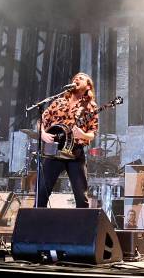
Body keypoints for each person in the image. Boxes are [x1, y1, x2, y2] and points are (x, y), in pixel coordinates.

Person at [37, 73, 98, 208]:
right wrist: (42, 133)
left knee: (81, 197)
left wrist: (83, 134)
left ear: (88, 86)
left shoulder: (90, 106)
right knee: (41, 192)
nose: (76, 79)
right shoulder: (58, 101)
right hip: (54, 150)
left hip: (75, 152)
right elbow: (42, 120)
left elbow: (92, 133)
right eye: (75, 78)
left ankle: (82, 227)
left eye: (81, 78)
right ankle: (38, 225)